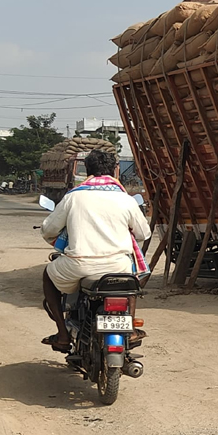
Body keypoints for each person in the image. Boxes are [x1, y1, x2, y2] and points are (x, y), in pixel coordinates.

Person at [39, 150, 150, 351]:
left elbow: (48, 229)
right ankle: (131, 328)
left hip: (78, 265)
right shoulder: (126, 199)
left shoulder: (73, 197)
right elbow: (143, 233)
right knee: (129, 280)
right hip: (118, 265)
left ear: (88, 171)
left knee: (48, 275)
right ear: (115, 171)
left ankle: (63, 335)